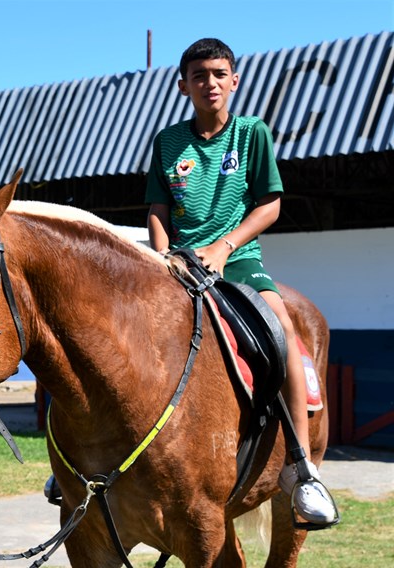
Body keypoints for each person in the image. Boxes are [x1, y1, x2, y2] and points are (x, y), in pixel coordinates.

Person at [144, 38, 337, 526]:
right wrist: (165, 254)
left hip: (239, 260)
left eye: (218, 73)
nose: (210, 82)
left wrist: (224, 247)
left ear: (234, 80)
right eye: (199, 75)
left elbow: (269, 204)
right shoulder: (167, 141)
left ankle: (301, 468)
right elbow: (157, 209)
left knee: (284, 329)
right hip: (179, 265)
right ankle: (90, 457)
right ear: (182, 84)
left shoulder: (253, 133)